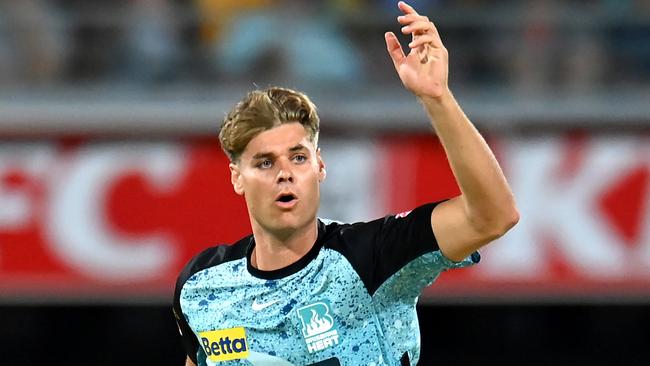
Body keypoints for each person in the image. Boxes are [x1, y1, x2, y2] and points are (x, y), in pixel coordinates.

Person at [173, 2, 519, 365]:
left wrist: (437, 99)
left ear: (319, 166)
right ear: (237, 178)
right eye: (264, 162)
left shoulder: (371, 257)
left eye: (298, 157)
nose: (285, 173)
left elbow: (494, 215)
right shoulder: (202, 286)